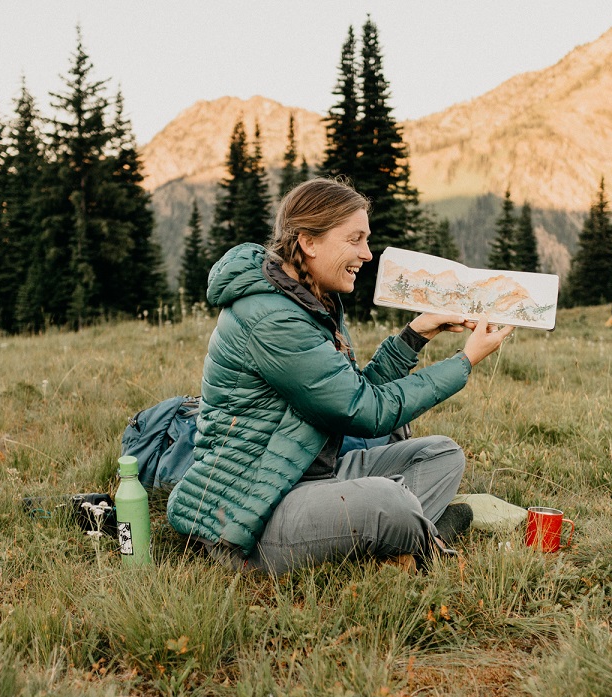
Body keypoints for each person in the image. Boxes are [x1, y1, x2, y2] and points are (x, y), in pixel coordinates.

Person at [166, 177, 513, 574]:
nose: (367, 254)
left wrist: (417, 333)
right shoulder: (271, 317)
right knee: (388, 500)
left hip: (309, 477)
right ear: (308, 243)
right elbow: (364, 413)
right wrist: (464, 361)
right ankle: (420, 539)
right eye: (355, 239)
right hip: (252, 512)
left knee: (440, 454)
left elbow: (353, 391)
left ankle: (401, 536)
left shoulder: (308, 300)